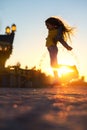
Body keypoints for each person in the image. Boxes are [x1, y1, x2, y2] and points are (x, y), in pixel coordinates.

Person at [45, 16, 74, 84]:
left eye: (48, 25)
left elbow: (61, 40)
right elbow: (51, 37)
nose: (47, 27)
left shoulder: (57, 32)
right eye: (46, 25)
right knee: (53, 64)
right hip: (50, 48)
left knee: (54, 64)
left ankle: (57, 78)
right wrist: (48, 39)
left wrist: (67, 47)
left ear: (53, 24)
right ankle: (56, 78)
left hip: (53, 48)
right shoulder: (51, 31)